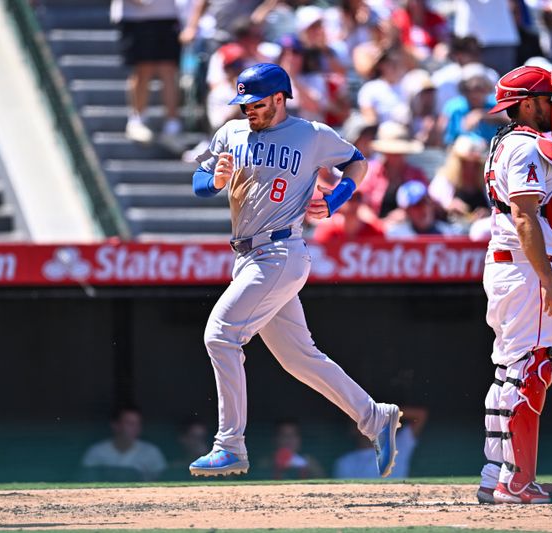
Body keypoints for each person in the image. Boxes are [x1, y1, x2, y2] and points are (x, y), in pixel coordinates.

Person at [189, 63, 402, 478]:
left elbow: (357, 162)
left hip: (281, 251)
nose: (248, 109)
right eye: (243, 102)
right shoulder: (231, 133)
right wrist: (212, 180)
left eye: (255, 102)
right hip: (248, 255)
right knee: (299, 359)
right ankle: (375, 417)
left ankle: (229, 444)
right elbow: (199, 180)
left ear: (280, 98)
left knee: (220, 335)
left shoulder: (312, 134)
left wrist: (338, 197)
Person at [478, 64, 552, 504]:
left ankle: (495, 474)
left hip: (510, 265)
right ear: (526, 104)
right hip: (524, 267)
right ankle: (517, 483)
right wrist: (547, 281)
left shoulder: (508, 142)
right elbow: (525, 216)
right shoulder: (524, 147)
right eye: (548, 99)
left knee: (509, 371)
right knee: (531, 370)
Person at [111, 0, 183, 146]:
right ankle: (137, 120)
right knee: (143, 69)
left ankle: (172, 126)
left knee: (168, 70)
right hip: (135, 18)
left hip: (168, 17)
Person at [334, 406, 428, 479]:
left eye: (372, 421)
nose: (368, 424)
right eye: (361, 421)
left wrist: (378, 412)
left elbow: (420, 415)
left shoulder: (398, 445)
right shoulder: (345, 462)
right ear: (353, 429)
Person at [78, 406, 167, 482]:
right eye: (130, 423)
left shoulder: (152, 452)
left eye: (138, 424)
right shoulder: (96, 451)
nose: (135, 428)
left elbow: (162, 480)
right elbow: (86, 481)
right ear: (115, 425)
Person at [385, 180, 457, 237]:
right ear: (406, 211)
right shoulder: (396, 237)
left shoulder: (449, 234)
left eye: (426, 202)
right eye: (417, 205)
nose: (424, 208)